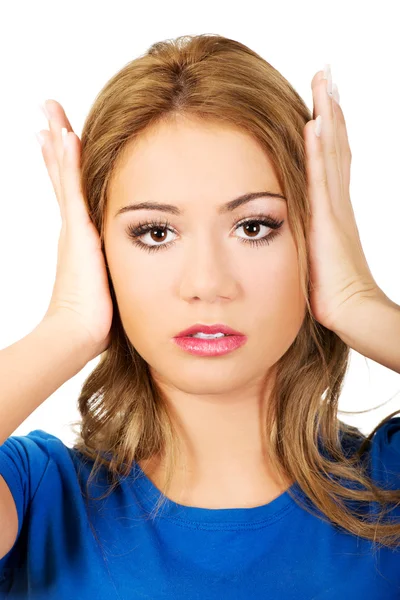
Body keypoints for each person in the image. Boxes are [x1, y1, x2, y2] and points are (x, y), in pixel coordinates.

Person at [0, 34, 399, 598]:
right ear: (96, 251)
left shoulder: (390, 484)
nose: (207, 283)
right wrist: (67, 324)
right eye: (155, 233)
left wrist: (359, 300)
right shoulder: (40, 496)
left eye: (254, 226)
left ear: (315, 235)